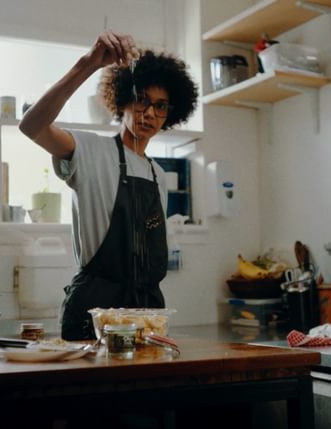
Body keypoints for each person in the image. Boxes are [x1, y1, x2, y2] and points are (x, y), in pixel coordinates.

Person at [19, 31, 198, 340]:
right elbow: (31, 126)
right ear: (123, 100)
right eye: (142, 100)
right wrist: (87, 64)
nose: (149, 113)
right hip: (93, 314)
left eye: (160, 106)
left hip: (147, 316)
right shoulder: (90, 151)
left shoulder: (158, 174)